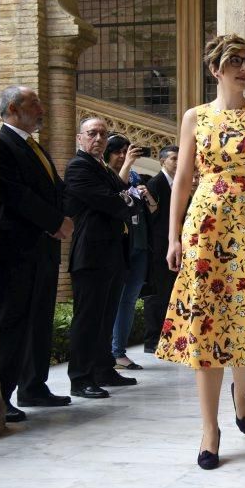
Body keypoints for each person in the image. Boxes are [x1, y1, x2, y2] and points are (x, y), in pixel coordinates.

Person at [155, 34, 245, 470]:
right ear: (216, 69)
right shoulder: (195, 117)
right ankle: (209, 428)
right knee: (206, 324)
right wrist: (174, 236)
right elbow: (181, 181)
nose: (244, 69)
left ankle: (242, 391)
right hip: (205, 228)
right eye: (235, 62)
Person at [0, 85, 73, 422]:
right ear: (13, 108)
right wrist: (55, 222)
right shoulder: (2, 143)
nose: (42, 107)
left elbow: (54, 188)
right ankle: (0, 396)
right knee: (13, 320)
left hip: (44, 246)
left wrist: (63, 219)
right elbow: (14, 193)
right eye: (34, 102)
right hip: (19, 247)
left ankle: (33, 386)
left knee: (39, 319)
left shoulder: (33, 145)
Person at [64, 118, 140, 398]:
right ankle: (80, 377)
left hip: (113, 252)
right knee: (88, 318)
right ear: (79, 138)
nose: (98, 138)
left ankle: (103, 369)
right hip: (91, 253)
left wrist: (124, 199)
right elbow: (114, 202)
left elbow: (127, 198)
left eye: (102, 134)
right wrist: (125, 200)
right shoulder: (78, 166)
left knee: (106, 315)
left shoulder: (102, 167)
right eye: (92, 133)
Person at [104, 135, 157, 370]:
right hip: (120, 245)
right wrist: (127, 165)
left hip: (140, 244)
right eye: (119, 152)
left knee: (128, 300)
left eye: (128, 151)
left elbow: (153, 209)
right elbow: (116, 190)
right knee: (114, 300)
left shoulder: (136, 177)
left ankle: (119, 351)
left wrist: (147, 195)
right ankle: (110, 352)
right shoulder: (105, 173)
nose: (124, 156)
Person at [143, 145, 179, 354]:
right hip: (159, 246)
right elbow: (154, 217)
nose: (177, 162)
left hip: (173, 244)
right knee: (157, 293)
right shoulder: (155, 183)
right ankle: (152, 339)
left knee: (170, 292)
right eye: (174, 158)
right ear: (162, 161)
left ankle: (168, 335)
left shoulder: (177, 184)